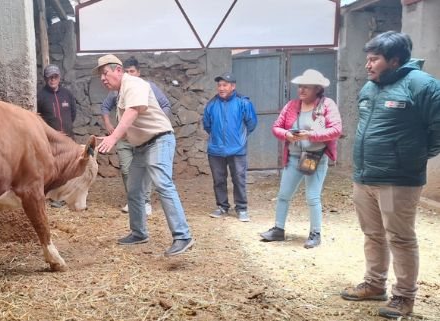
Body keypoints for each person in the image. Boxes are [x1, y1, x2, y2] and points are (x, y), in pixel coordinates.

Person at [340, 31, 440, 318]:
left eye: (374, 60)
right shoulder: (371, 87)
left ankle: (404, 297)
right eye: (367, 60)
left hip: (399, 179)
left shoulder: (423, 86)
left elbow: (437, 130)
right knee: (372, 234)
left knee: (400, 237)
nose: (367, 66)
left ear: (394, 60)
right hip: (365, 175)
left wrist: (413, 156)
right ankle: (374, 284)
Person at [94, 54, 193, 257]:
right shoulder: (120, 92)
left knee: (162, 183)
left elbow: (133, 112)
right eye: (100, 75)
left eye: (105, 73)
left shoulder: (134, 84)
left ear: (118, 70)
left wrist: (113, 137)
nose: (103, 78)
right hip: (141, 146)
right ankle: (139, 233)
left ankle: (183, 236)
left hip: (159, 139)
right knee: (134, 188)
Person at [259, 69, 342, 248]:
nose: (302, 90)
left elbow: (336, 130)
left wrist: (310, 135)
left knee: (312, 197)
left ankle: (315, 233)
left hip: (314, 157)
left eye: (307, 87)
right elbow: (276, 127)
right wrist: (287, 134)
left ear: (317, 89)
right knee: (283, 195)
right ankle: (278, 229)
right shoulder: (291, 105)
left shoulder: (327, 105)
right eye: (300, 87)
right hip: (294, 157)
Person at [101, 56, 172, 216]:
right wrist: (110, 126)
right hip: (127, 138)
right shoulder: (116, 92)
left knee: (162, 182)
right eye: (127, 72)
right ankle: (138, 229)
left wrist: (159, 123)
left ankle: (181, 233)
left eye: (131, 71)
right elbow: (105, 107)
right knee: (129, 174)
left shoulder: (145, 86)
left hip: (150, 137)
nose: (129, 74)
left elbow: (136, 110)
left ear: (138, 73)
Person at [202, 72, 258, 222]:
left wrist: (240, 138)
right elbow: (207, 124)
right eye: (219, 85)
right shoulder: (212, 104)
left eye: (224, 85)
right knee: (218, 180)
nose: (221, 88)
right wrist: (216, 136)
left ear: (233, 86)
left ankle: (241, 208)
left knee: (239, 179)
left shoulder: (243, 103)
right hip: (216, 149)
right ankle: (222, 206)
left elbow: (251, 123)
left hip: (237, 149)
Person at [37, 64, 77, 208]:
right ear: (46, 79)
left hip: (68, 138)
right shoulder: (40, 96)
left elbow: (73, 113)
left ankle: (68, 195)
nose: (53, 80)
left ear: (59, 77)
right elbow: (38, 118)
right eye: (50, 77)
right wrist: (52, 133)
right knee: (53, 168)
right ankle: (54, 196)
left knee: (69, 169)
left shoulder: (67, 94)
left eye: (55, 77)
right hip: (51, 141)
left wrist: (66, 130)